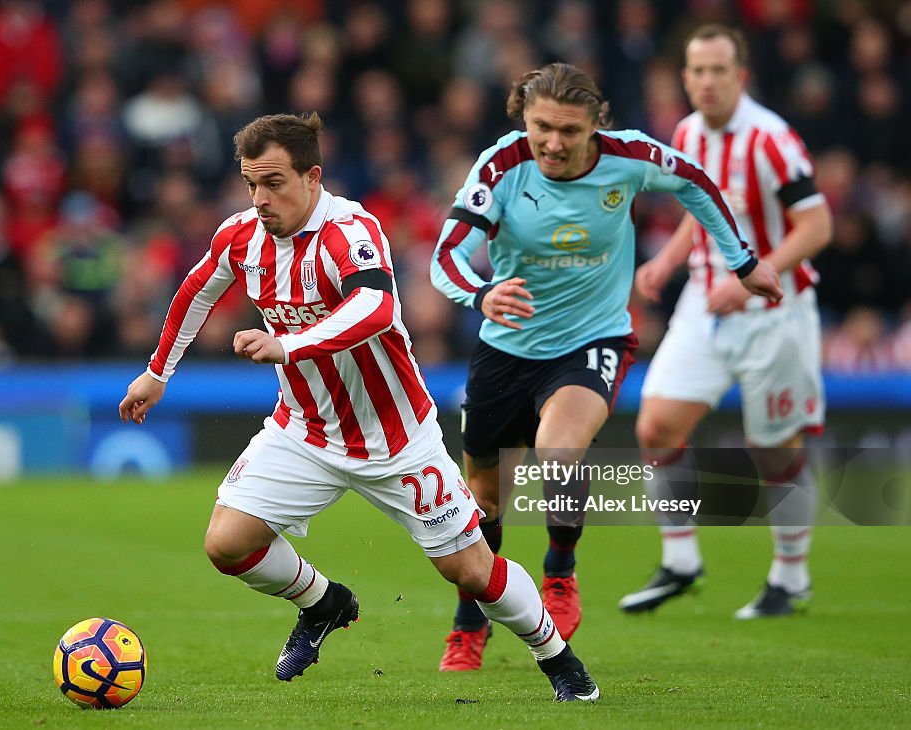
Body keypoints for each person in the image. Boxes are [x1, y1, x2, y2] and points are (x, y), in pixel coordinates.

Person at [118, 112, 600, 702]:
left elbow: (373, 307)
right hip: (305, 431)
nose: (259, 198)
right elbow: (197, 289)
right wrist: (156, 372)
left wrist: (286, 344)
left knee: (472, 572)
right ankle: (323, 604)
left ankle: (559, 661)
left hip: (396, 438)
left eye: (274, 183)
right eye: (250, 184)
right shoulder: (242, 235)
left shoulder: (351, 230)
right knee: (226, 543)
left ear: (313, 176)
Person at [430, 62, 783, 671]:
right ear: (524, 118)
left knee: (558, 447)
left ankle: (560, 575)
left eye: (570, 130)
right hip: (506, 348)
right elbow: (447, 254)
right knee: (483, 500)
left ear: (598, 126)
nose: (554, 143)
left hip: (594, 339)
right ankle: (470, 619)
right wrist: (480, 293)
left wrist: (742, 262)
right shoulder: (501, 167)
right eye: (542, 126)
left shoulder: (630, 157)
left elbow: (696, 182)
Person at [619, 24, 833, 618]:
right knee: (656, 425)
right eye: (697, 70)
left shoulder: (772, 141)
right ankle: (681, 561)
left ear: (740, 76)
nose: (707, 81)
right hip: (705, 304)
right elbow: (702, 208)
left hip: (775, 310)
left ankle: (790, 578)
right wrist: (664, 261)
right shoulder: (687, 133)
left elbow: (817, 227)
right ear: (684, 78)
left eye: (719, 70)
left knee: (773, 451)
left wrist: (754, 275)